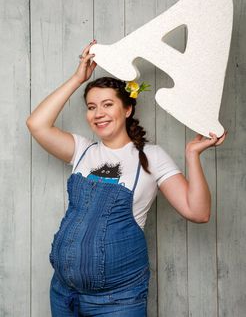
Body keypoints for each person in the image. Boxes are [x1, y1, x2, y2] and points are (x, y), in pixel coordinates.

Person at [26, 40, 227, 317]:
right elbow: (36, 124)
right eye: (91, 106)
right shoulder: (82, 150)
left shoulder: (151, 157)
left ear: (127, 109)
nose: (98, 113)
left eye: (107, 104)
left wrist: (193, 155)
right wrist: (78, 78)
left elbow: (198, 212)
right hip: (64, 293)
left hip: (117, 300)